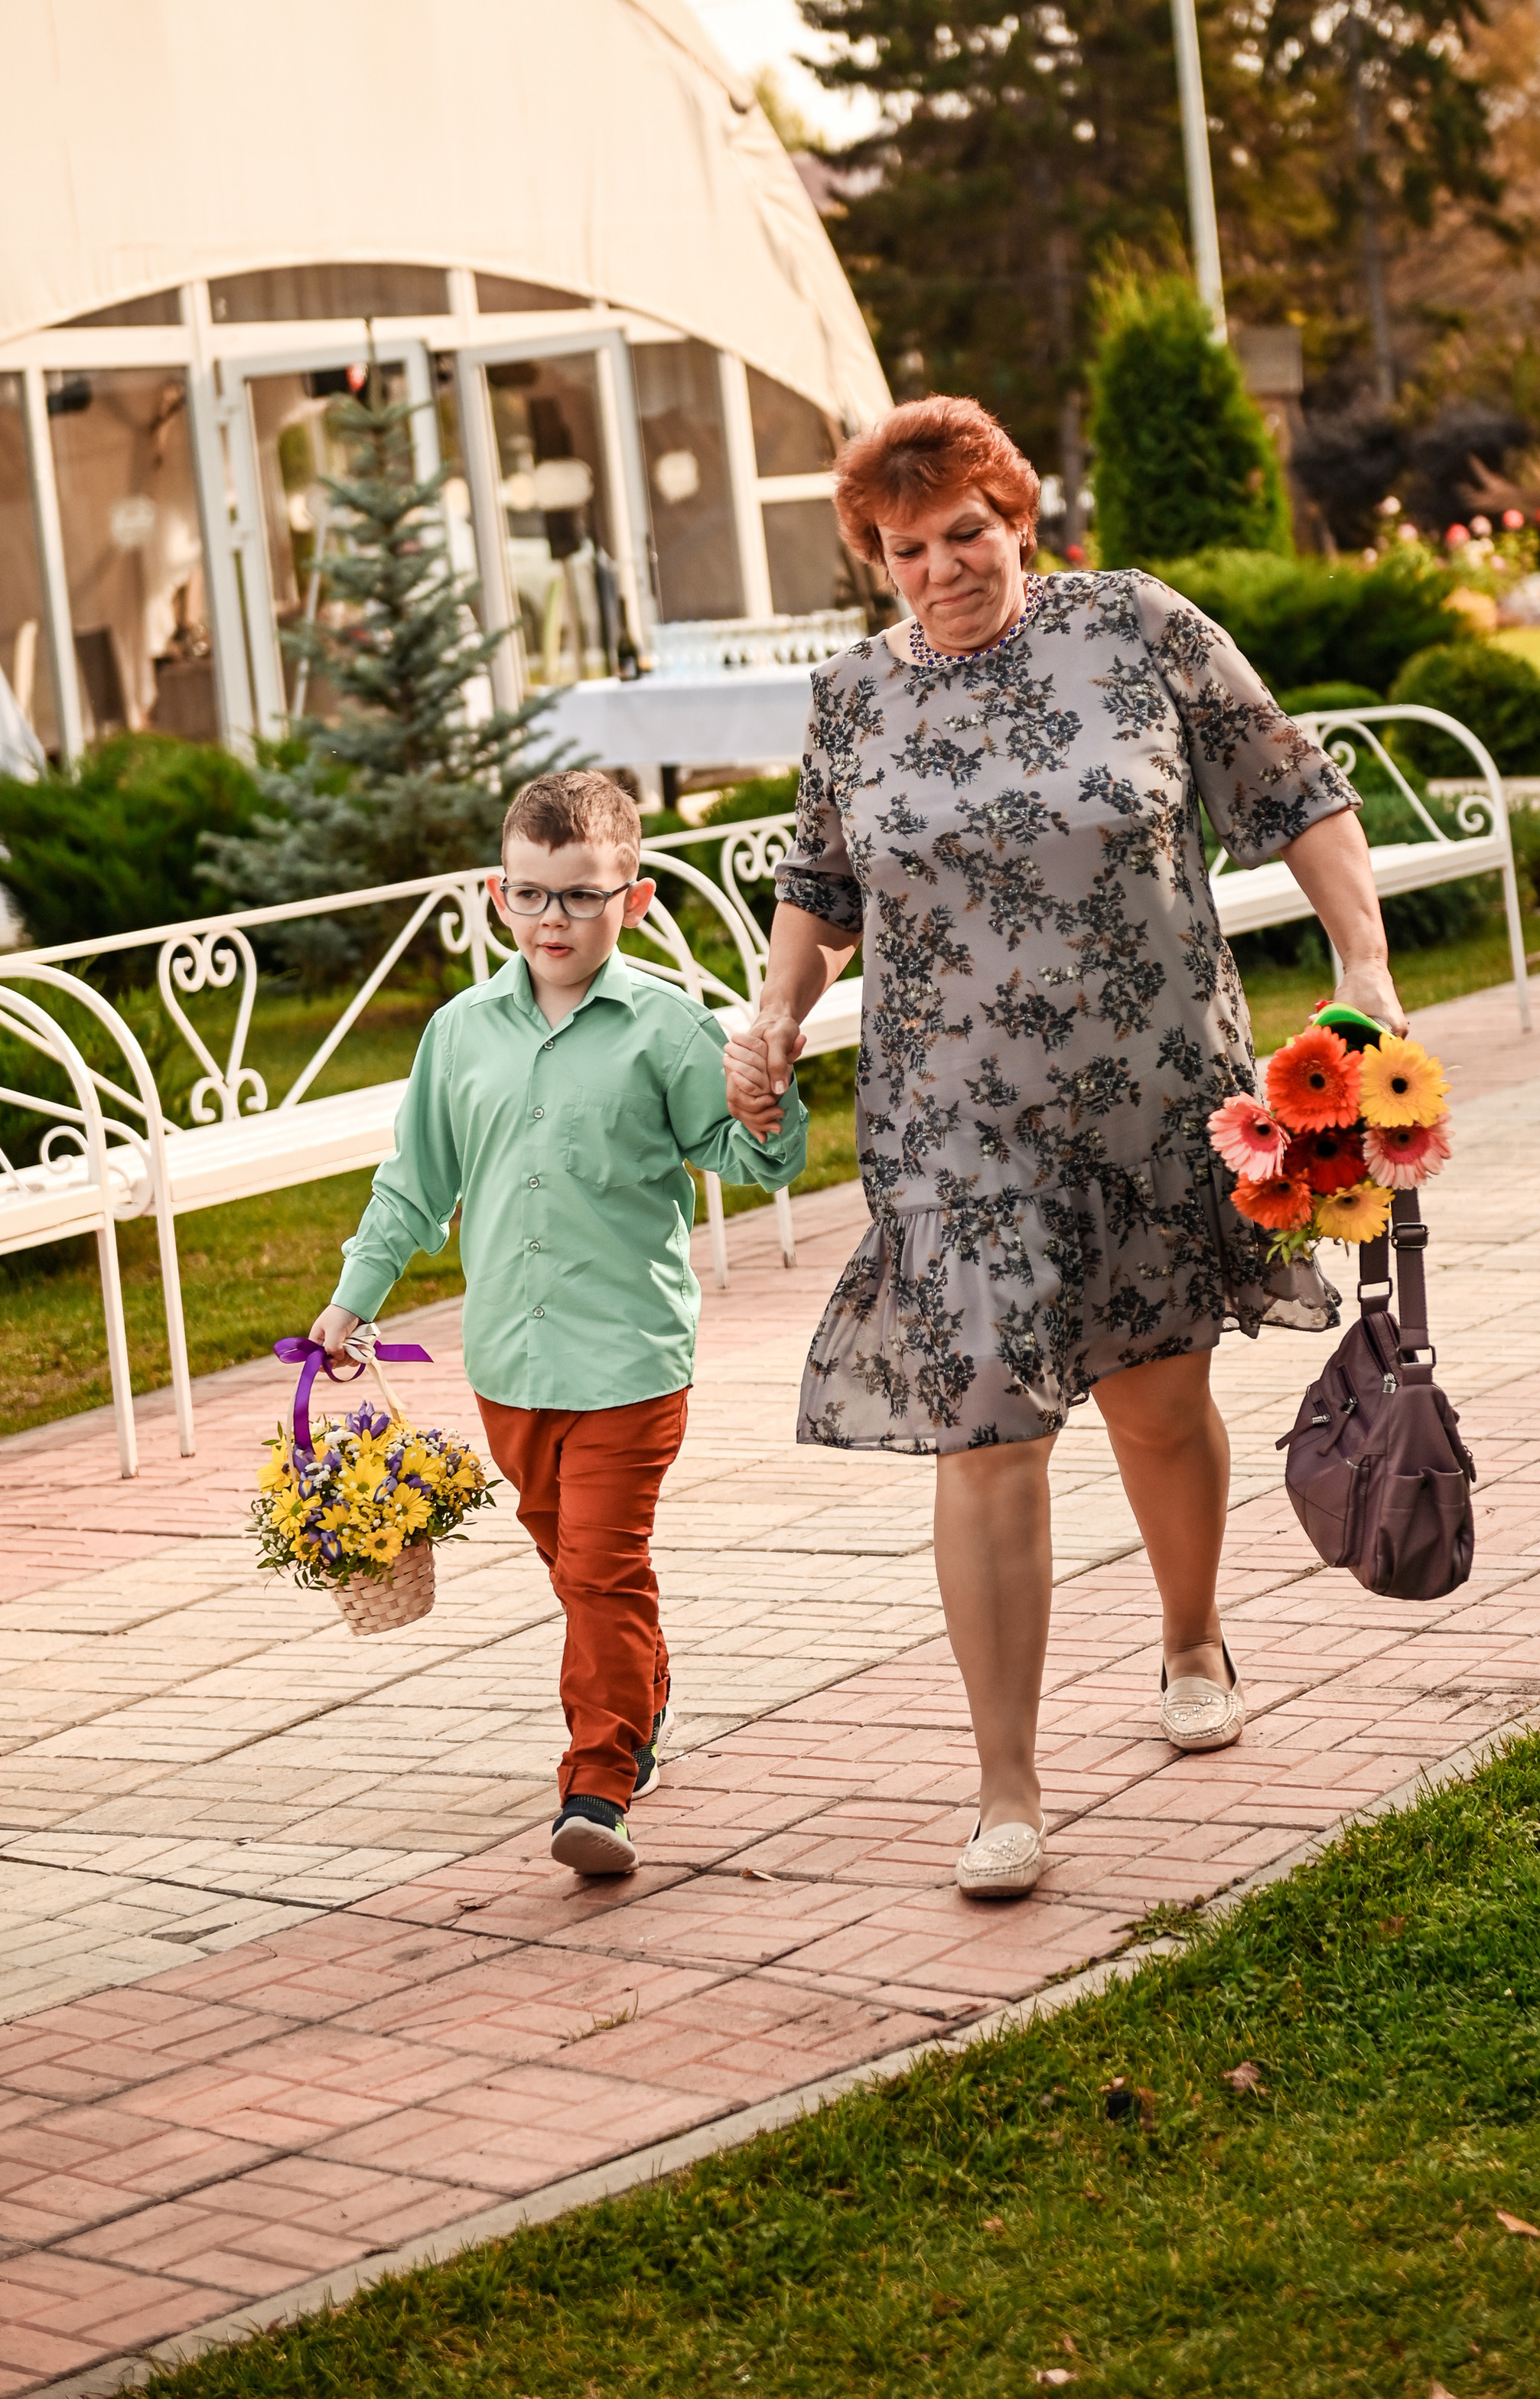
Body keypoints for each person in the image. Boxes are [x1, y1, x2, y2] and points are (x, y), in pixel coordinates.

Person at [723, 399, 1402, 1899]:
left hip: (1146, 1100)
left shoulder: (1135, 629)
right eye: (903, 550)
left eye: (963, 532)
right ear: (874, 557)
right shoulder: (851, 701)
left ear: (1014, 512)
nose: (940, 570)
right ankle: (1004, 1788)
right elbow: (820, 887)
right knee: (984, 1438)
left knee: (1155, 1409)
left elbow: (1291, 787)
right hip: (947, 1134)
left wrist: (1360, 968)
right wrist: (770, 1012)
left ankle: (1188, 1635)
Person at [307, 768, 807, 1879]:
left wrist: (767, 1107)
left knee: (602, 1567)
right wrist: (355, 1297)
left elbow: (743, 1158)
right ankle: (649, 1694)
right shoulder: (459, 1034)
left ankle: (597, 1783)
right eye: (532, 895)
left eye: (581, 896)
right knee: (576, 1564)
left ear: (632, 900)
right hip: (510, 1365)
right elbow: (413, 1185)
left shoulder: (667, 1029)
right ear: (497, 894)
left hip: (628, 1358)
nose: (554, 920)